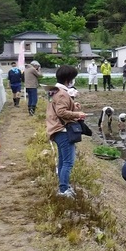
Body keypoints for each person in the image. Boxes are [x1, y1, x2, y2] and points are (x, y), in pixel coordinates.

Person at [45, 65, 88, 198]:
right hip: (62, 131)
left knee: (63, 160)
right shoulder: (63, 94)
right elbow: (61, 112)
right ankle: (63, 190)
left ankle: (64, 185)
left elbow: (60, 108)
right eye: (73, 78)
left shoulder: (56, 91)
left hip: (57, 130)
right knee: (68, 162)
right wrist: (77, 114)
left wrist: (74, 107)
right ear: (68, 79)